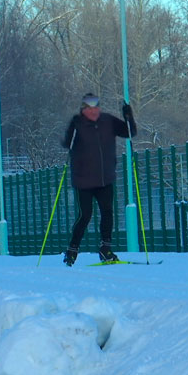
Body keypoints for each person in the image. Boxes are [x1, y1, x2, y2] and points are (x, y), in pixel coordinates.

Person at [61, 93, 137, 266]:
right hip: (84, 180)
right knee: (85, 215)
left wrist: (128, 116)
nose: (93, 111)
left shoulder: (107, 121)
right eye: (89, 108)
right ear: (83, 110)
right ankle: (72, 250)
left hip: (105, 178)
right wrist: (72, 130)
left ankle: (105, 250)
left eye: (96, 107)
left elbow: (130, 132)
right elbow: (67, 143)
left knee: (107, 212)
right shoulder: (78, 124)